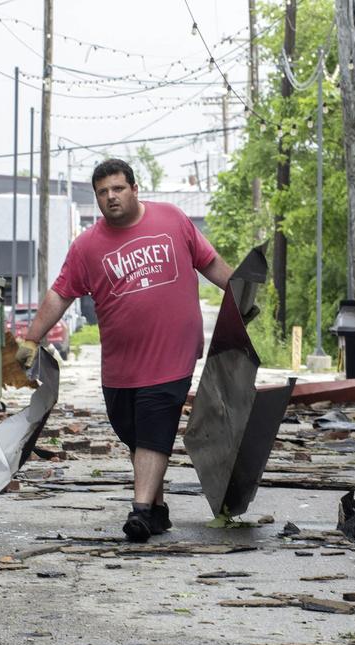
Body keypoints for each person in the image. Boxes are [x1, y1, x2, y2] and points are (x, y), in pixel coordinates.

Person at [17, 158, 234, 543]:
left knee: (154, 428)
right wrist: (32, 337)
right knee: (132, 432)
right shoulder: (87, 246)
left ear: (135, 189)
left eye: (117, 188)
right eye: (102, 192)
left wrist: (242, 297)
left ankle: (140, 513)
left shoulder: (173, 219)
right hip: (120, 366)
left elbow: (211, 263)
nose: (110, 197)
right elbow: (60, 294)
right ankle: (159, 510)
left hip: (173, 354)